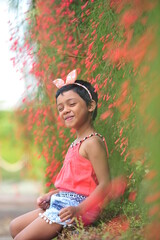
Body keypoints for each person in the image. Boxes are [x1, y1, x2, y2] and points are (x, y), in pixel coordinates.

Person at [10, 70, 110, 240]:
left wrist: (79, 210)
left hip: (78, 206)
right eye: (61, 108)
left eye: (72, 104)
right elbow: (76, 184)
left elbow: (105, 184)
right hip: (63, 202)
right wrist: (51, 194)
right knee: (15, 227)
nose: (65, 111)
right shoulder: (76, 143)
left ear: (90, 106)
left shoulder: (92, 142)